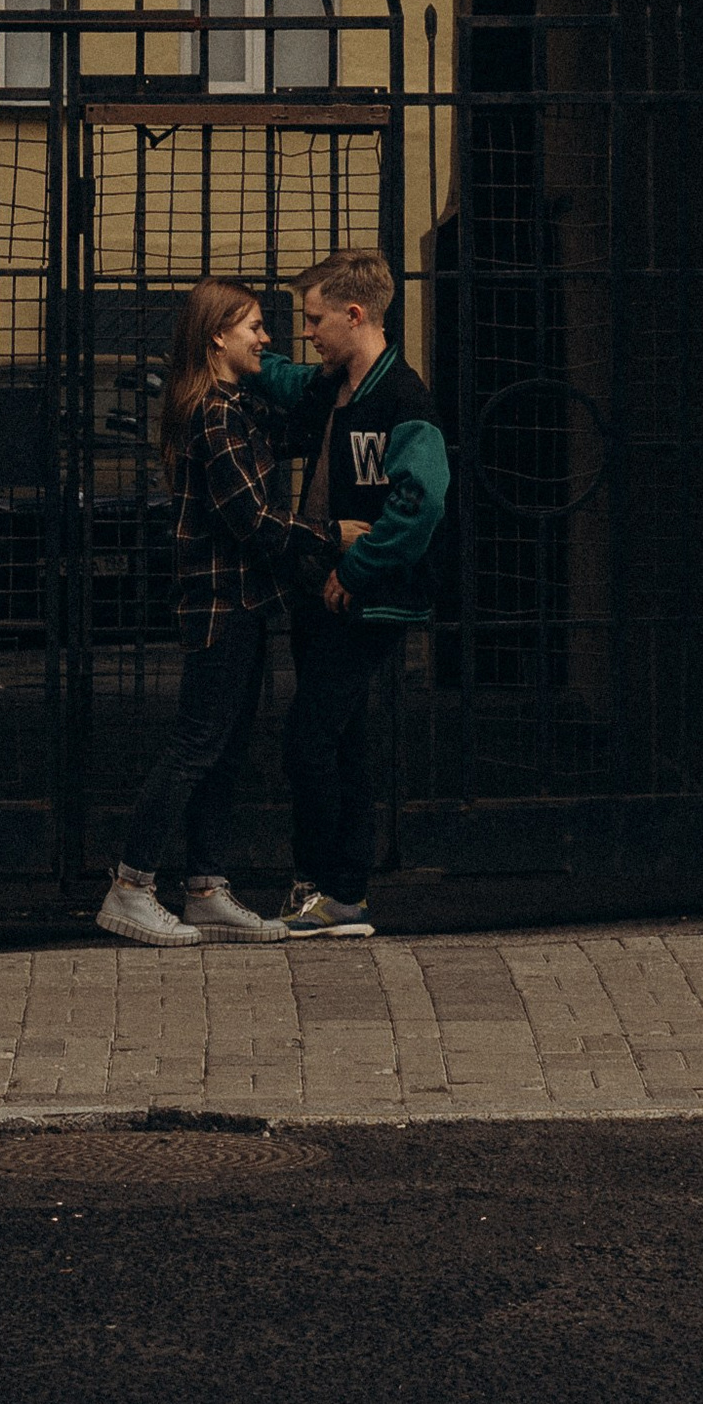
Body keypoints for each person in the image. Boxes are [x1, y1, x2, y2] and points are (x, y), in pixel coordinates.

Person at [97, 277, 334, 949]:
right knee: (196, 746)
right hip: (219, 608)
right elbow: (252, 520)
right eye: (254, 327)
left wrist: (339, 383)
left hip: (244, 604)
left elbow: (294, 432)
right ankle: (130, 886)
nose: (267, 338)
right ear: (217, 337)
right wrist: (331, 536)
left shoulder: (238, 404)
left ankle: (205, 887)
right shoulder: (215, 414)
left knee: (223, 749)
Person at [256, 247, 450, 938]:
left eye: (315, 321)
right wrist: (233, 353)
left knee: (309, 739)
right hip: (326, 591)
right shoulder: (337, 385)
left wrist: (356, 569)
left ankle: (327, 888)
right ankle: (343, 893)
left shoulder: (402, 399)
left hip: (363, 596)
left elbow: (422, 502)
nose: (307, 334)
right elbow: (284, 378)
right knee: (340, 740)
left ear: (355, 314)